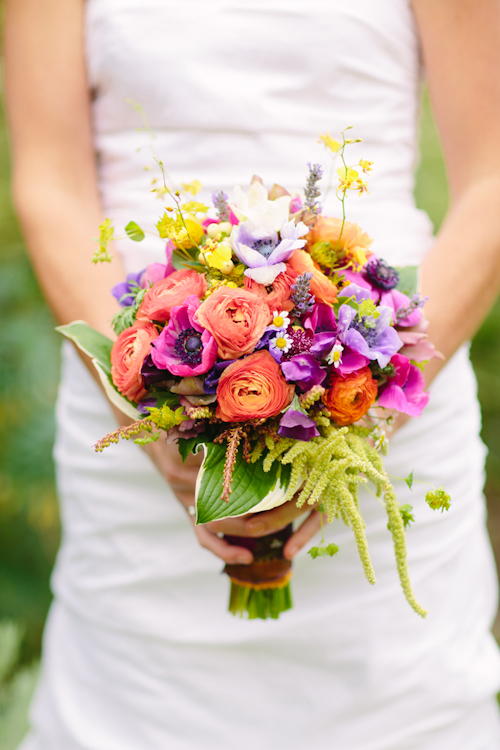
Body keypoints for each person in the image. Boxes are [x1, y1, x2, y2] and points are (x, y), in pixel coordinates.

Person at [4, 0, 500, 747]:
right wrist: (150, 419)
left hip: (380, 388)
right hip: (139, 406)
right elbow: (50, 182)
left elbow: (493, 181)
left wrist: (355, 422)